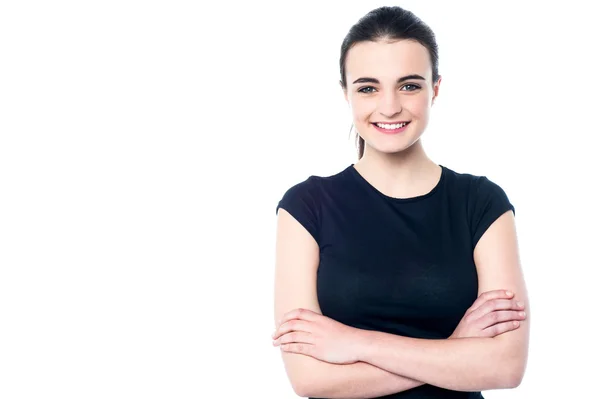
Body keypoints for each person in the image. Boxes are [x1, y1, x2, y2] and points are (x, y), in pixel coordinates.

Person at [272, 6, 530, 399]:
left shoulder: (481, 203)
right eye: (368, 87)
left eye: (409, 85)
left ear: (435, 88)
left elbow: (505, 366)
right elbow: (308, 378)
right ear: (346, 92)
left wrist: (353, 343)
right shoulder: (307, 207)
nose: (389, 106)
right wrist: (455, 350)